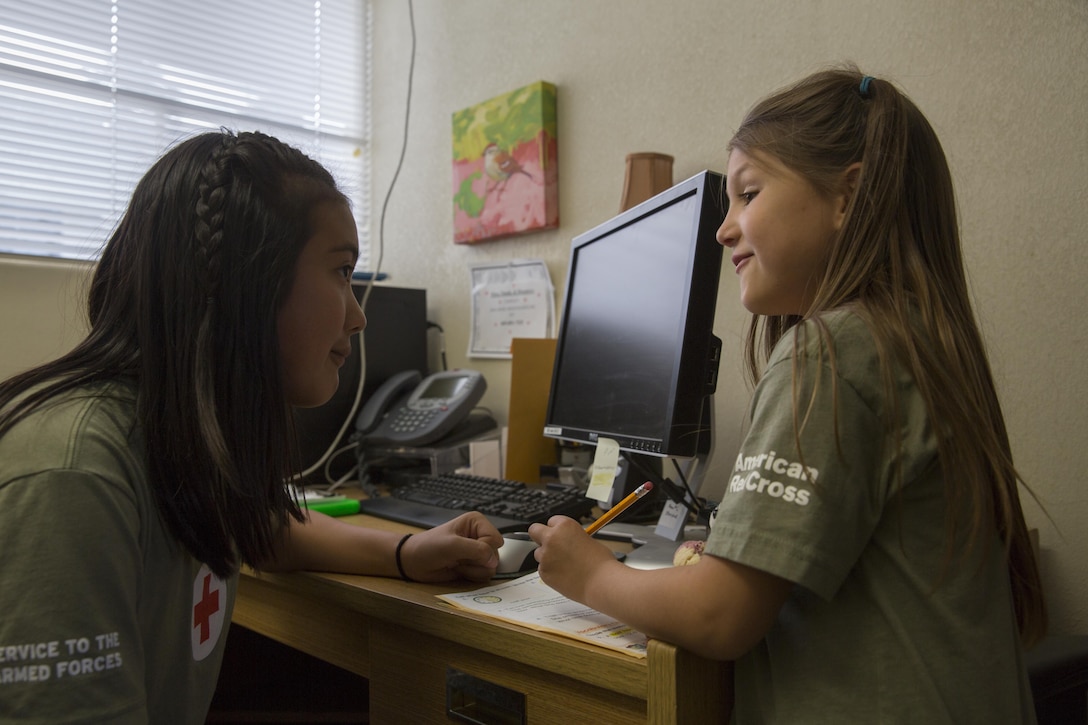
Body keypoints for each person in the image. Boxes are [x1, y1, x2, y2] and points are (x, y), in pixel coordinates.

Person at [528, 66, 1047, 722]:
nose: (724, 228)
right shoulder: (915, 342)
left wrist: (590, 573)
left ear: (846, 199)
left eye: (748, 192)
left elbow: (721, 616)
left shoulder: (833, 350)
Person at [0, 130, 503, 723]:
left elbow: (262, 527)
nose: (359, 314)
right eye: (342, 271)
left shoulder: (180, 439)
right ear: (246, 281)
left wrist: (407, 551)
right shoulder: (73, 474)